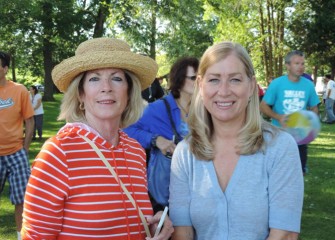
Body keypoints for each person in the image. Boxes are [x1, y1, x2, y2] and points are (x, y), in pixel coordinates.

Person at [21, 38, 173, 240]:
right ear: (81, 94)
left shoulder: (135, 151)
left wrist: (152, 226)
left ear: (129, 91)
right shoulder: (59, 153)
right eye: (94, 79)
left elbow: (125, 220)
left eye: (117, 78)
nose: (106, 87)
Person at [169, 42, 304, 240]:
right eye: (214, 80)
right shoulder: (185, 153)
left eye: (235, 80)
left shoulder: (280, 147)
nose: (223, 91)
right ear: (200, 85)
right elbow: (182, 233)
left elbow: (285, 234)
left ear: (251, 86)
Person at [124, 57, 199, 211]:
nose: (199, 82)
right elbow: (126, 130)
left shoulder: (204, 108)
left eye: (201, 78)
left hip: (198, 190)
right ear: (179, 79)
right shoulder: (158, 109)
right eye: (193, 78)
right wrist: (155, 139)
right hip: (167, 193)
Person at [260, 50, 320, 175]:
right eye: (297, 63)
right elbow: (263, 106)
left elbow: (314, 107)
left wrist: (312, 124)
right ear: (287, 65)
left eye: (303, 64)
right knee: (277, 171)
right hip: (278, 133)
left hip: (300, 135)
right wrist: (278, 117)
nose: (301, 67)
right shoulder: (277, 83)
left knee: (299, 171)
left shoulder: (308, 85)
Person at [0, 51, 34, 240]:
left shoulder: (19, 90)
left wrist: (26, 147)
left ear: (5, 69)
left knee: (21, 199)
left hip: (16, 153)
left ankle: (22, 236)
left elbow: (30, 120)